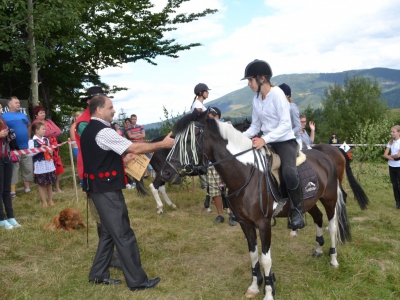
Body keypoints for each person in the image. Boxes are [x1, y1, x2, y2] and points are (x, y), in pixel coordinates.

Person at [81, 94, 174, 291]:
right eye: (110, 107)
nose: (114, 110)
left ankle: (98, 273)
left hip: (98, 187)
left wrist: (121, 162)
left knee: (108, 232)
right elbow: (134, 146)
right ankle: (137, 281)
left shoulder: (90, 129)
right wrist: (162, 144)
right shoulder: (104, 131)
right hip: (106, 190)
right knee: (123, 233)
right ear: (99, 110)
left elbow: (98, 159)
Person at [241, 59, 304, 230]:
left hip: (284, 142)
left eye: (250, 80)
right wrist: (238, 137)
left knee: (289, 172)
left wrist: (264, 139)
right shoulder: (256, 99)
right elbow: (255, 126)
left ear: (262, 78)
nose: (248, 84)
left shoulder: (277, 94)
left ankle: (298, 211)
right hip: (266, 141)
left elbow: (285, 124)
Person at [207, 107, 236, 226]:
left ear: (217, 117)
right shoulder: (207, 130)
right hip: (212, 164)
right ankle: (220, 214)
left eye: (210, 118)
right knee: (215, 190)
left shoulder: (227, 127)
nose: (208, 120)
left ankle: (233, 213)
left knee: (231, 189)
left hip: (227, 164)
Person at [2, 96, 33, 198]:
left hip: (25, 146)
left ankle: (27, 189)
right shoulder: (4, 117)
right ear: (9, 105)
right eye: (16, 103)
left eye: (19, 103)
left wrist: (28, 136)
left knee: (27, 167)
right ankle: (12, 192)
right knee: (14, 169)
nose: (18, 104)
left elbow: (29, 125)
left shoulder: (23, 115)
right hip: (13, 148)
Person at [32, 106, 65, 192]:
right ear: (36, 115)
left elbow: (58, 131)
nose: (43, 114)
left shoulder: (49, 121)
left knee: (57, 165)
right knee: (48, 166)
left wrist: (51, 133)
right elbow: (45, 133)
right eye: (40, 113)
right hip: (45, 145)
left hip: (55, 145)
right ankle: (48, 188)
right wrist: (51, 133)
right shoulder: (36, 123)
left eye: (43, 112)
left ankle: (57, 187)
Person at [0, 113, 21, 229]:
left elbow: (8, 139)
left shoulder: (3, 121)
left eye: (1, 108)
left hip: (6, 157)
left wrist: (9, 136)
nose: (0, 110)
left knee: (7, 189)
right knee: (0, 189)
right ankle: (1, 218)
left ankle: (11, 217)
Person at [29, 122, 56, 207]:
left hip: (48, 163)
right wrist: (39, 149)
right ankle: (44, 202)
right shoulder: (32, 141)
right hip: (39, 164)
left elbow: (49, 150)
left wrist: (50, 151)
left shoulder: (46, 140)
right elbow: (30, 153)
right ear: (36, 130)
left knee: (49, 182)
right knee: (41, 184)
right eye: (43, 129)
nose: (45, 131)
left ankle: (50, 200)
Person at [279, 83, 302, 149]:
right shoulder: (279, 108)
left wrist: (288, 133)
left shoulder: (292, 109)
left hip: (295, 140)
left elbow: (298, 126)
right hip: (282, 140)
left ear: (288, 95)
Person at [383, 125, 400, 209]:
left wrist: (390, 157)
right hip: (392, 166)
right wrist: (393, 157)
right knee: (394, 185)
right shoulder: (390, 142)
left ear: (398, 132)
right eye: (391, 132)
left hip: (399, 166)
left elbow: (398, 155)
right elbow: (385, 155)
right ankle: (397, 203)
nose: (391, 133)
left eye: (393, 132)